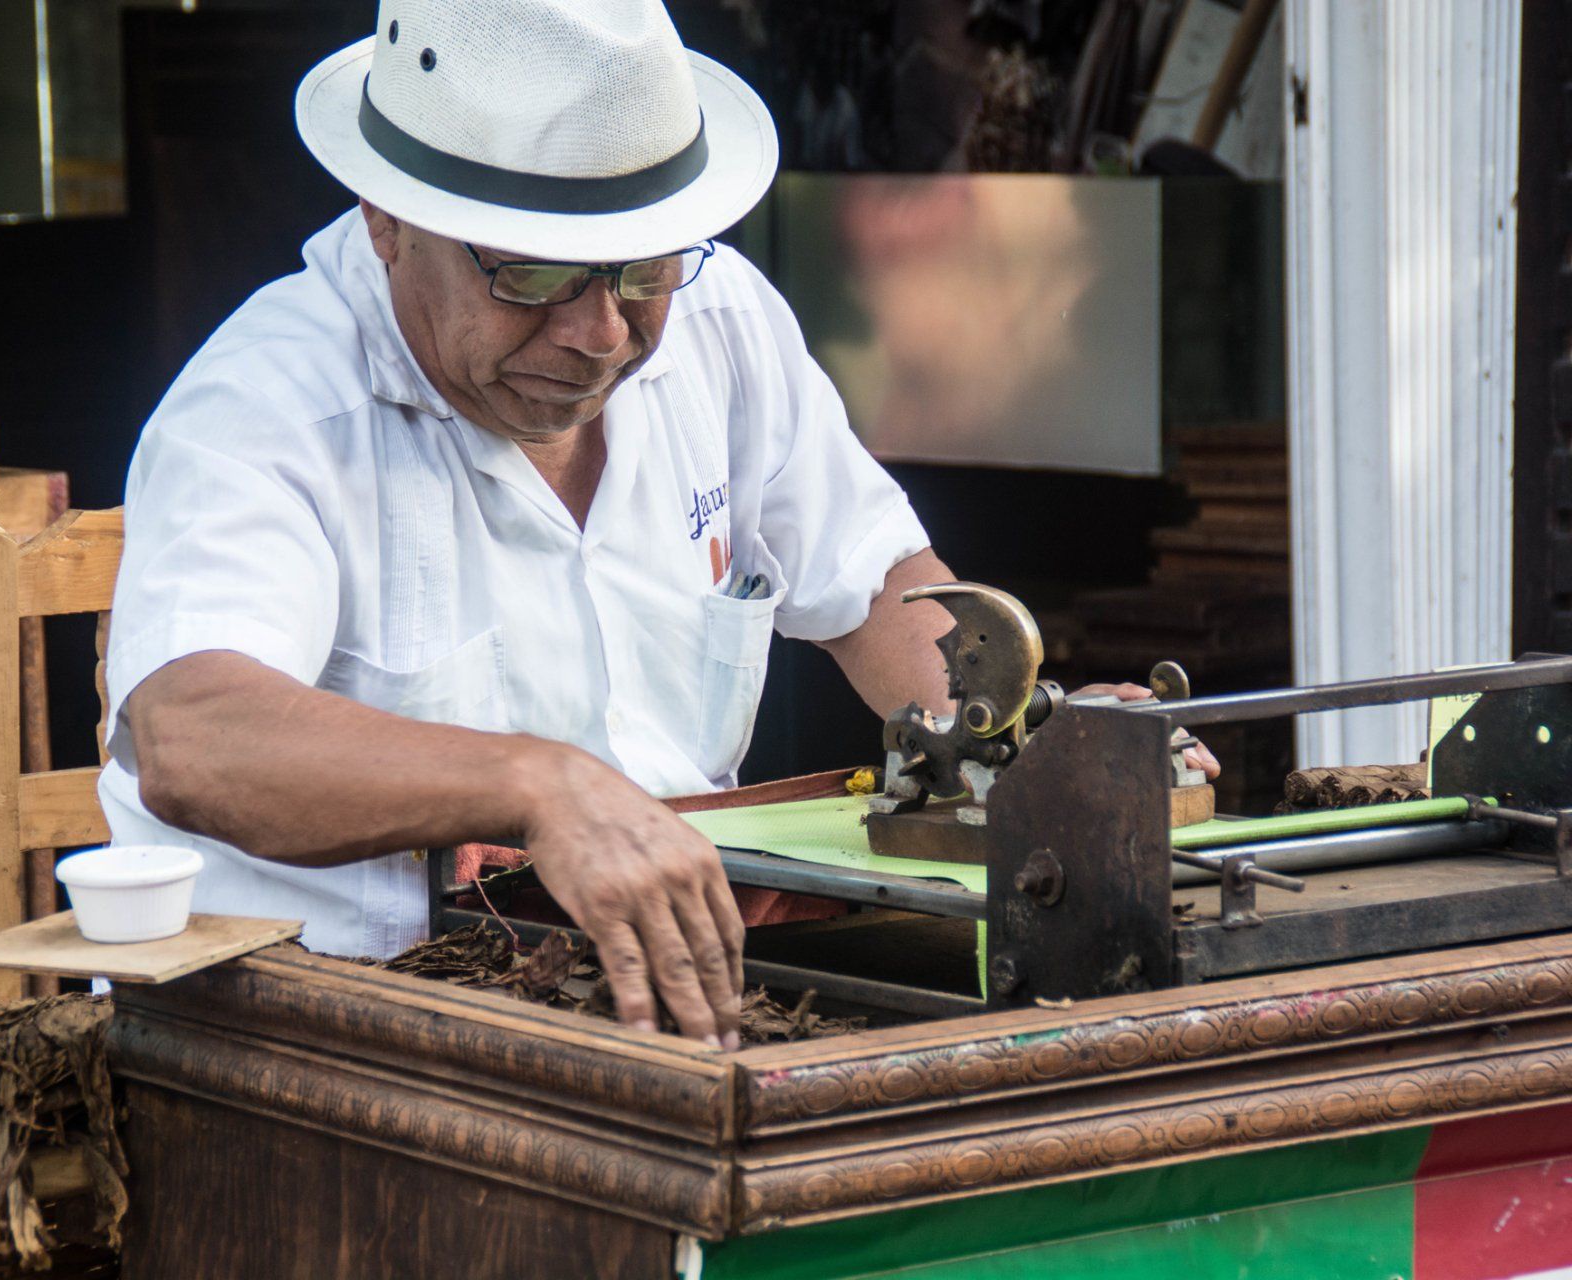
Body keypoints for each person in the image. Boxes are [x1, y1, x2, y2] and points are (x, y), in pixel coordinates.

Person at [102, 0, 1216, 1051]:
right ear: (388, 219)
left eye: (642, 268)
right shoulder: (270, 404)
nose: (599, 332)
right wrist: (541, 785)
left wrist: (1020, 742)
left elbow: (878, 584)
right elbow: (193, 735)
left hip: (660, 995)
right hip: (336, 1024)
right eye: (531, 272)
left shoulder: (718, 319)